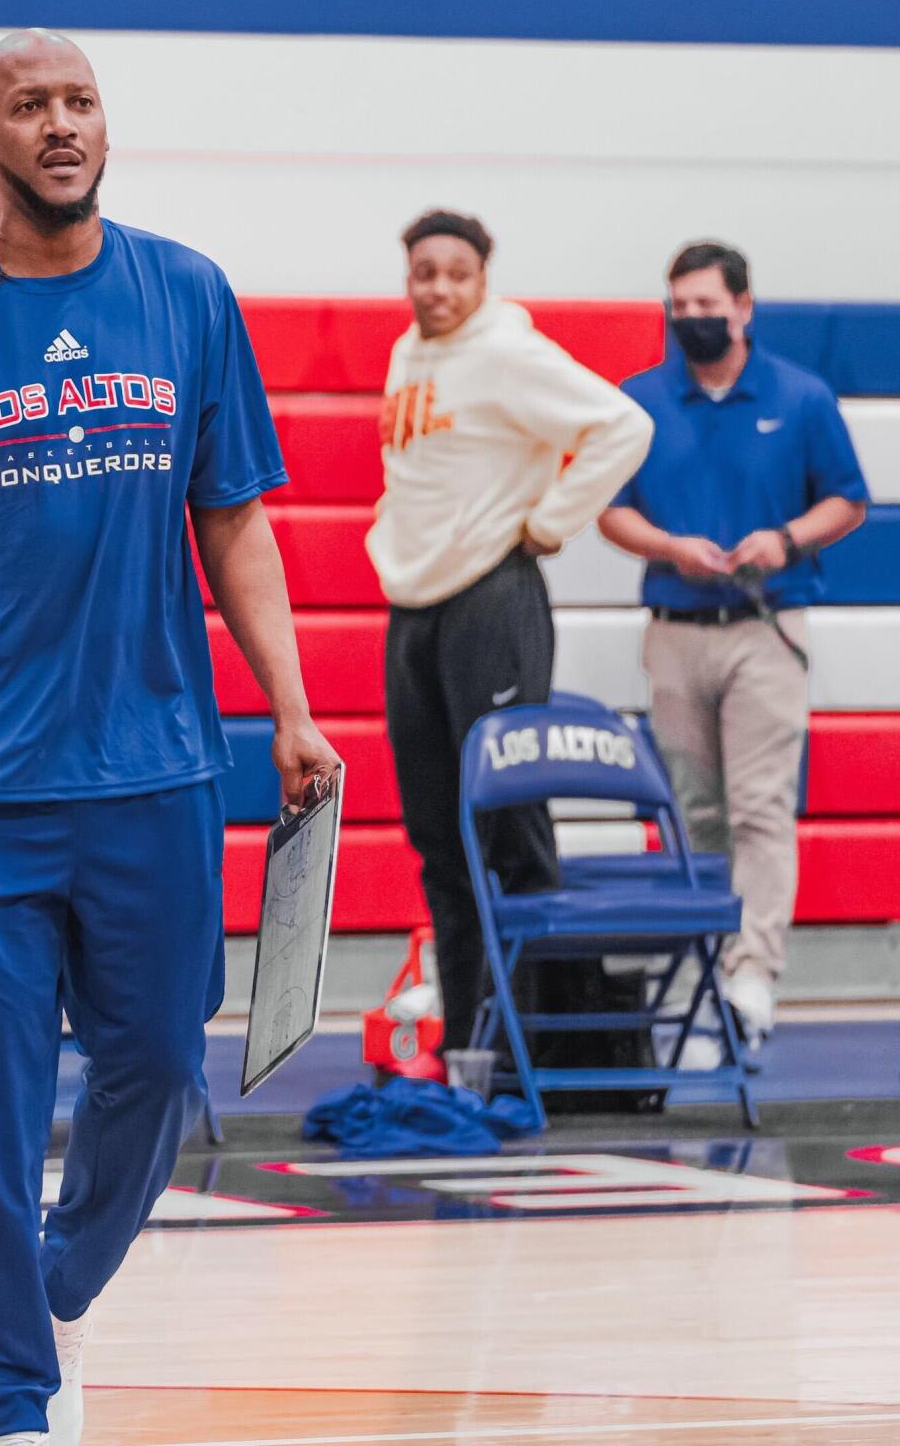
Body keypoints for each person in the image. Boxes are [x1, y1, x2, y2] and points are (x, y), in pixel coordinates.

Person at [0, 29, 340, 1446]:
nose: (59, 125)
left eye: (79, 102)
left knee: (160, 1057)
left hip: (154, 762)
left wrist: (287, 702)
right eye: (26, 106)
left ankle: (58, 1284)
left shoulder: (187, 292)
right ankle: (12, 1397)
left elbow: (236, 517)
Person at [368, 210, 652, 1057]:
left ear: (483, 277)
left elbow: (623, 426)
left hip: (492, 597)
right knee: (436, 833)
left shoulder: (506, 351)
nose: (440, 288)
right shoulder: (407, 352)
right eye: (425, 272)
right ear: (408, 276)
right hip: (414, 605)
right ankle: (468, 1039)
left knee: (507, 822)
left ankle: (539, 1041)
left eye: (457, 272)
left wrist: (552, 519)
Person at [599, 241, 867, 1042]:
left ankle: (752, 973)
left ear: (744, 307)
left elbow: (848, 500)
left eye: (708, 307)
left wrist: (784, 538)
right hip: (677, 632)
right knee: (692, 810)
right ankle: (701, 961)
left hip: (764, 626)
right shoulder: (640, 399)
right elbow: (610, 508)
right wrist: (670, 546)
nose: (693, 320)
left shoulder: (801, 397)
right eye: (679, 307)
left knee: (760, 807)